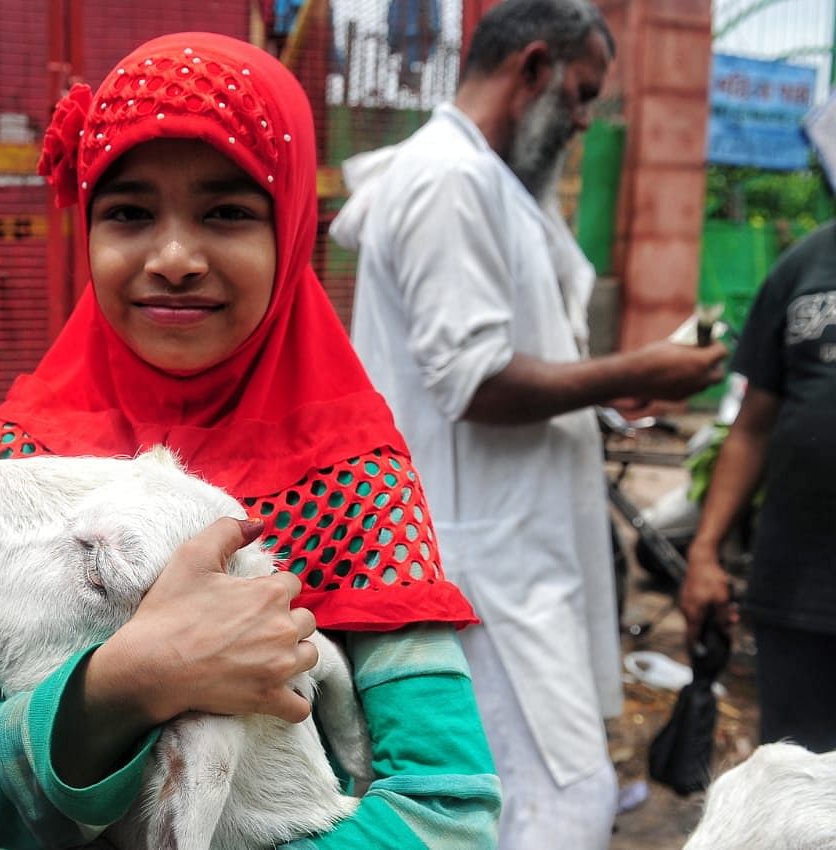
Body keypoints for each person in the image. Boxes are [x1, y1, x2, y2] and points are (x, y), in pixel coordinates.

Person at [0, 32, 502, 849]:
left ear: (291, 231)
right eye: (128, 212)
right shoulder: (17, 470)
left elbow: (449, 811)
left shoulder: (356, 489)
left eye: (227, 212)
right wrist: (127, 683)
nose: (176, 257)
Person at [328, 1, 726, 847]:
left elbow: (508, 359)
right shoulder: (449, 180)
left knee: (535, 802)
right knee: (552, 807)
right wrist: (639, 369)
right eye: (581, 96)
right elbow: (473, 380)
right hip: (484, 573)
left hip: (511, 557)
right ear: (533, 68)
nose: (583, 122)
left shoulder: (483, 180)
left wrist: (610, 395)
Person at [680, 220, 836, 754]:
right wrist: (704, 551)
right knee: (797, 783)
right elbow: (750, 428)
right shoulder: (805, 265)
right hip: (798, 591)